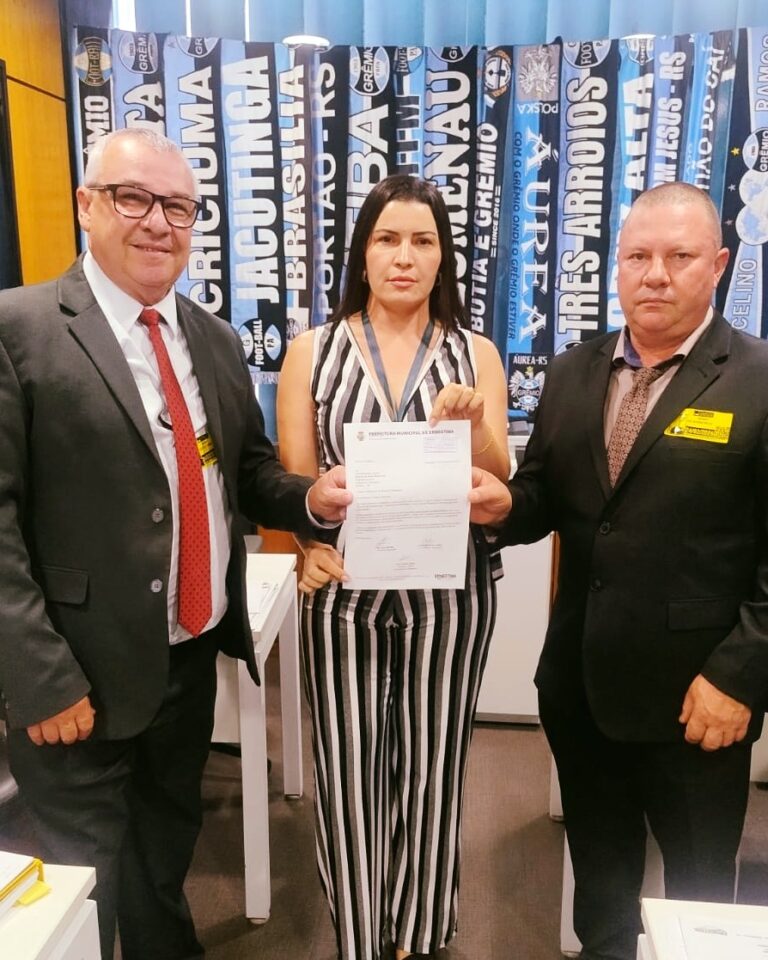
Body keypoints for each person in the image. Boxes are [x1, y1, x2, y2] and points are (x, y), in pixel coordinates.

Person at [0, 128, 349, 960]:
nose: (159, 222)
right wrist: (40, 681)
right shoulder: (19, 329)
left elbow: (248, 468)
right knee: (83, 883)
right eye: (134, 198)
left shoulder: (212, 338)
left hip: (187, 658)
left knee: (164, 851)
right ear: (86, 205)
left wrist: (310, 499)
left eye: (180, 207)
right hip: (76, 676)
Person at [469, 181, 768, 960]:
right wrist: (501, 505)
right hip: (581, 687)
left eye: (680, 256)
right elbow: (546, 496)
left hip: (698, 702)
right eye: (638, 256)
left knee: (701, 901)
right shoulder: (574, 371)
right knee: (602, 891)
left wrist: (739, 676)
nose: (655, 274)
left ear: (719, 265)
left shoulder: (759, 380)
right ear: (617, 264)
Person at [277, 174, 510, 960]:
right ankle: (359, 934)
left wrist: (475, 424)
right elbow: (296, 485)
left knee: (434, 765)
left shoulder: (474, 353)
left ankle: (415, 932)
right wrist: (306, 548)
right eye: (387, 239)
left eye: (422, 241)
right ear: (363, 253)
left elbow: (499, 478)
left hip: (450, 594)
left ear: (443, 258)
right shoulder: (313, 352)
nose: (404, 257)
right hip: (345, 593)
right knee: (348, 772)